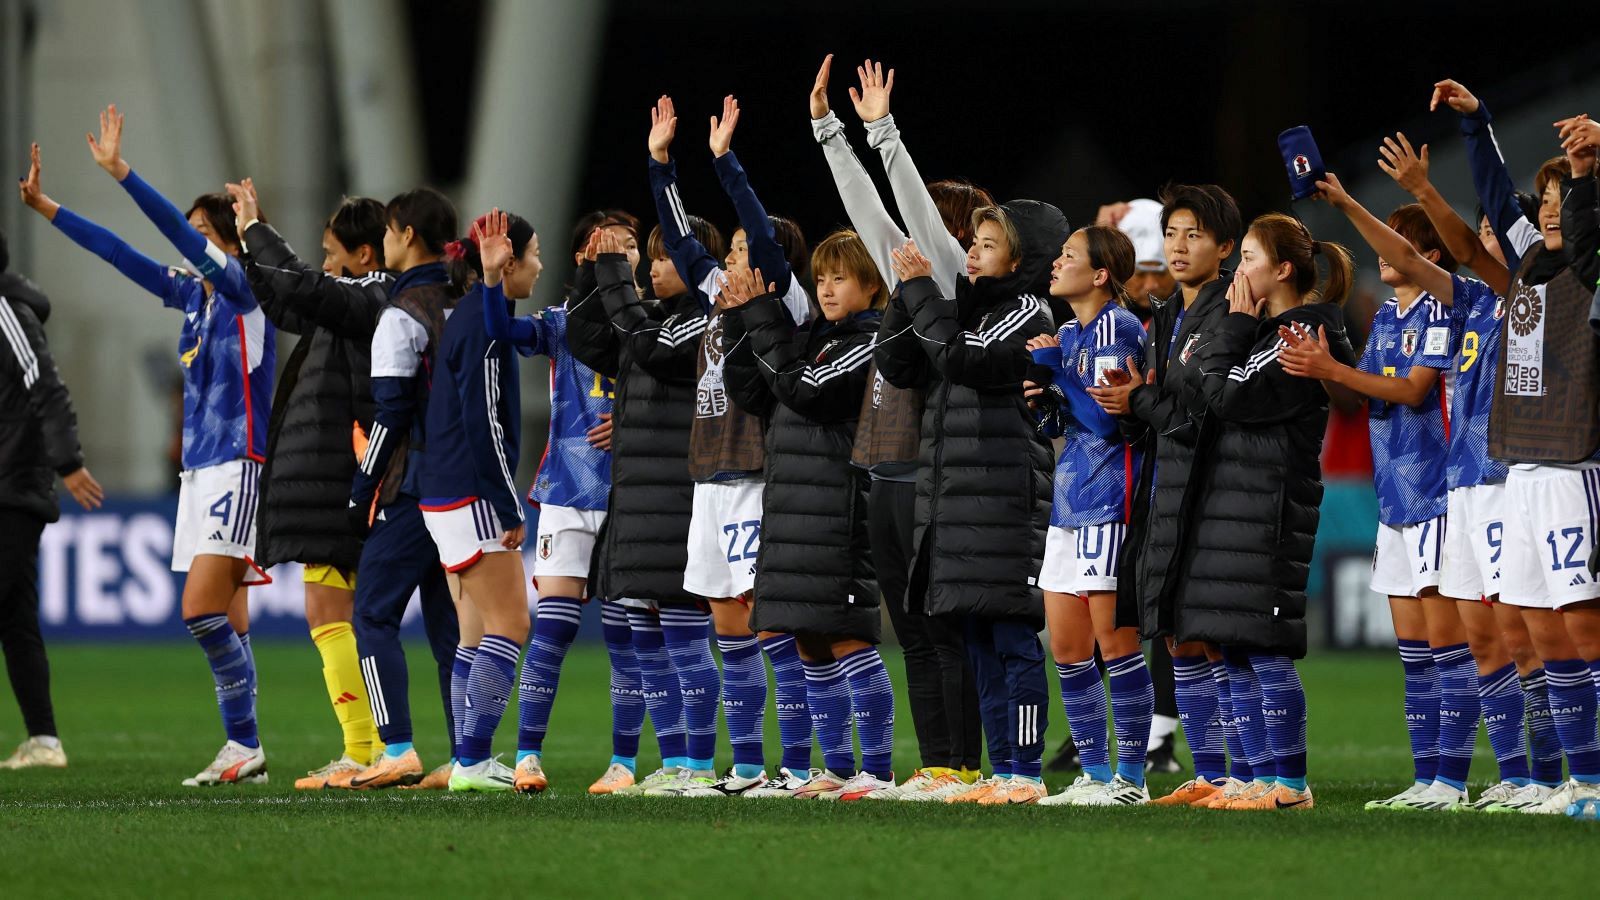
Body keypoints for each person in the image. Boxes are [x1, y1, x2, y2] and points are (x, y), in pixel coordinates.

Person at [19, 110, 276, 786]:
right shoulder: (196, 299)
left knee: (199, 610)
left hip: (235, 465)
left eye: (201, 234)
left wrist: (122, 173)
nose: (189, 244)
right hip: (200, 471)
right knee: (230, 613)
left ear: (226, 245)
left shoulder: (246, 293)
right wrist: (50, 208)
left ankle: (245, 744)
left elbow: (162, 232)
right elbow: (119, 254)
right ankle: (242, 747)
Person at [808, 55, 989, 799]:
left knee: (943, 630)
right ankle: (938, 762)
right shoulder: (912, 270)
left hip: (928, 472)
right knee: (911, 631)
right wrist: (827, 129)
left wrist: (880, 130)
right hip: (884, 471)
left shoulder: (949, 278)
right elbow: (869, 211)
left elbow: (903, 208)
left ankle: (966, 763)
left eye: (944, 221)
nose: (916, 225)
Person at [635, 95, 816, 798]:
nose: (732, 260)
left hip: (753, 473)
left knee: (764, 619)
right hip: (708, 475)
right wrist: (661, 165)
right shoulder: (718, 294)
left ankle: (796, 767)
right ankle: (746, 766)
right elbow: (683, 243)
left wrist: (725, 164)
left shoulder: (784, 302)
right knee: (727, 624)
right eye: (732, 250)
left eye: (744, 251)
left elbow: (765, 247)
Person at [1444, 77, 1600, 815]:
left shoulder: (1590, 275)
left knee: (1583, 624)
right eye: (1542, 205)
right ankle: (1582, 780)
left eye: (1558, 201)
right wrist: (1479, 122)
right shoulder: (1528, 272)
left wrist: (1589, 173)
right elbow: (1493, 193)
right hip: (1521, 468)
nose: (1545, 213)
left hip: (1577, 464)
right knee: (1539, 627)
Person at [883, 193, 1070, 807]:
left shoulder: (1028, 310)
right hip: (959, 499)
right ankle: (1002, 769)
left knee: (1013, 639)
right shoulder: (964, 308)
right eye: (974, 242)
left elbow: (960, 360)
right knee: (979, 641)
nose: (971, 253)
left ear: (1022, 259)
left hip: (1004, 500)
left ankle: (1025, 771)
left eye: (989, 245)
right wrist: (904, 290)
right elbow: (899, 363)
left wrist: (921, 296)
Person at [1169, 212, 1356, 811]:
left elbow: (1221, 394)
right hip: (1238, 506)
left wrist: (1235, 323)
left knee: (1264, 649)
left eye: (1248, 257)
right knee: (1234, 646)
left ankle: (1291, 786)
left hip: (1267, 509)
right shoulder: (1268, 333)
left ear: (1281, 270)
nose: (1238, 271)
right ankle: (1253, 779)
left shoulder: (1297, 335)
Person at [564, 158, 720, 798]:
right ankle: (676, 759)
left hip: (678, 499)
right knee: (641, 641)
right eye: (646, 259)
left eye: (661, 258)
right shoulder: (652, 319)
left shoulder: (703, 321)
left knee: (684, 642)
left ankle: (701, 765)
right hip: (639, 499)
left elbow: (645, 344)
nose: (651, 268)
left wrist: (612, 273)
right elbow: (585, 335)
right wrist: (589, 271)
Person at [227, 182, 392, 789]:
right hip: (336, 478)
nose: (325, 266)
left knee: (335, 612)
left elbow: (300, 288)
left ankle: (370, 749)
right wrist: (252, 241)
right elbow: (286, 300)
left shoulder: (369, 296)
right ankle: (378, 747)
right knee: (341, 612)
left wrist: (255, 233)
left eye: (331, 253)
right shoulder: (351, 300)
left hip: (345, 477)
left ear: (364, 257)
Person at [481, 210, 648, 796]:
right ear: (585, 259)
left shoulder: (653, 327)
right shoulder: (559, 324)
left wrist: (630, 421)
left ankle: (623, 764)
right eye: (609, 246)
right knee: (552, 630)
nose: (624, 254)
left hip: (636, 495)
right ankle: (527, 757)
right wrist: (495, 279)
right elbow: (501, 332)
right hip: (568, 495)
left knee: (628, 636)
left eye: (630, 246)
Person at [721, 236, 892, 800]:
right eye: (821, 278)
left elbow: (806, 388)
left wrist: (763, 317)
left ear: (872, 285)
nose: (826, 288)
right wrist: (738, 322)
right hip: (794, 503)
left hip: (836, 505)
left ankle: (880, 770)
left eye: (840, 278)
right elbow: (752, 389)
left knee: (847, 640)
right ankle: (839, 768)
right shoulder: (816, 337)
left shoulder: (871, 339)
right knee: (810, 643)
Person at [1090, 184, 1243, 807]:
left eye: (1194, 236)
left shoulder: (1229, 317)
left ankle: (1259, 774)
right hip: (1165, 495)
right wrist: (1125, 403)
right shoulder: (1165, 318)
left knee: (1217, 637)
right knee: (1179, 637)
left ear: (1225, 247)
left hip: (1211, 495)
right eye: (1173, 233)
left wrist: (1141, 402)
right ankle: (1210, 775)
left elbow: (1201, 414)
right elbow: (1155, 417)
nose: (1178, 247)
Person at [1025, 226, 1154, 806]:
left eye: (1069, 256)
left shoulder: (1117, 326)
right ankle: (1095, 774)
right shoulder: (1075, 331)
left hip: (1109, 503)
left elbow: (1108, 421)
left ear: (1101, 274)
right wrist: (1045, 404)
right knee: (1069, 649)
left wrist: (1055, 373)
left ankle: (1130, 777)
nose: (1056, 263)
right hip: (1070, 502)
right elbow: (1074, 422)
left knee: (1116, 642)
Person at [342, 186, 464, 790]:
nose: (386, 242)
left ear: (406, 234)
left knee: (372, 612)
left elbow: (390, 413)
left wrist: (363, 491)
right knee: (451, 626)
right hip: (467, 488)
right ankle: (468, 756)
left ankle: (397, 748)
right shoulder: (467, 301)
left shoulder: (401, 314)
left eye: (390, 231)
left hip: (415, 488)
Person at [415, 209, 538, 792]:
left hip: (441, 491)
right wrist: (507, 503)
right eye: (534, 255)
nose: (540, 265)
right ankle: (473, 760)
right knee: (511, 623)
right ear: (509, 261)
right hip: (470, 491)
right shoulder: (485, 325)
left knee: (474, 631)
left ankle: (469, 757)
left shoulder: (474, 315)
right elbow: (484, 419)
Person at [0, 226, 103, 769]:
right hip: (9, 483)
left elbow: (46, 388)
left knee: (12, 613)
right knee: (16, 619)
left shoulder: (6, 312)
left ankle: (44, 740)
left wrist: (68, 462)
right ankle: (43, 740)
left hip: (12, 488)